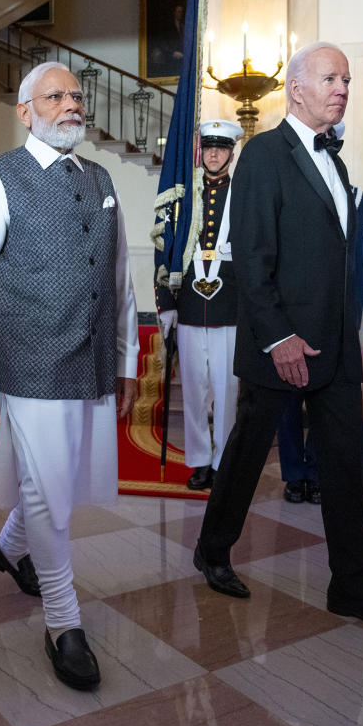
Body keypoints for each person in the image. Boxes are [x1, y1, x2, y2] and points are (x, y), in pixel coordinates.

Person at [193, 42, 363, 635]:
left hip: (338, 346)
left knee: (345, 466)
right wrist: (279, 338)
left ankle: (352, 588)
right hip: (282, 344)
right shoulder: (265, 153)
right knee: (246, 454)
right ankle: (213, 549)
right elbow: (252, 257)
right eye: (329, 78)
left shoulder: (336, 162)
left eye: (347, 78)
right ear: (295, 89)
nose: (342, 88)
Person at [0, 61, 140, 691]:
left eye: (77, 96)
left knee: (57, 476)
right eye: (54, 96)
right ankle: (64, 621)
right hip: (27, 364)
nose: (71, 105)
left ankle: (8, 548)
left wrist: (127, 361)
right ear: (26, 112)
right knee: (49, 493)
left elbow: (121, 283)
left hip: (89, 363)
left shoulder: (102, 179)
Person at [156, 118, 243, 491]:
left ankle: (224, 460)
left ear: (231, 153)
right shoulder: (185, 197)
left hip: (229, 307)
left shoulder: (243, 195)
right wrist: (166, 302)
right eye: (208, 147)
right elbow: (167, 249)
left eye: (220, 148)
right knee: (192, 389)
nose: (213, 154)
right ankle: (199, 461)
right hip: (190, 305)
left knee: (226, 391)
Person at [277, 181, 363, 506]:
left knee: (321, 407)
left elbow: (354, 263)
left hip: (332, 321)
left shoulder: (354, 196)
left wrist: (351, 321)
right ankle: (293, 474)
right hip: (292, 318)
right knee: (287, 405)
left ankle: (315, 473)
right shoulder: (289, 190)